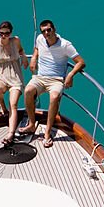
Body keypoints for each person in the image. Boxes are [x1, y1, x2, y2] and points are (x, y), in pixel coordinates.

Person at [23, 19, 85, 148]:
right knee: (28, 91)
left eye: (49, 30)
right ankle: (31, 124)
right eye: (44, 31)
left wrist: (70, 75)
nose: (46, 33)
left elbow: (81, 62)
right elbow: (36, 48)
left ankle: (47, 133)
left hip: (56, 79)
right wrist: (34, 58)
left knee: (55, 97)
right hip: (40, 77)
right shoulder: (40, 38)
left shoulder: (65, 45)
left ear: (54, 29)